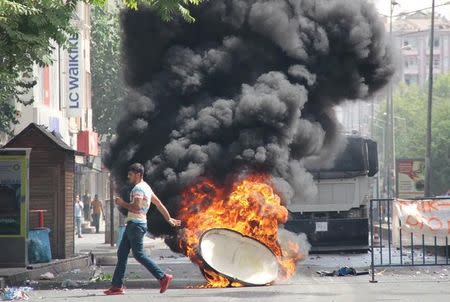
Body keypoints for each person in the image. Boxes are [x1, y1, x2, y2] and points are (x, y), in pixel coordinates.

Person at [104, 163, 181, 296]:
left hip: (136, 225)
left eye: (131, 174)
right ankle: (117, 285)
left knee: (139, 254)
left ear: (139, 174)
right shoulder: (147, 187)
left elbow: (136, 207)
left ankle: (163, 277)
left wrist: (121, 203)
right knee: (122, 253)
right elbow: (159, 204)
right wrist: (169, 219)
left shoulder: (138, 189)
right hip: (134, 225)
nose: (129, 176)